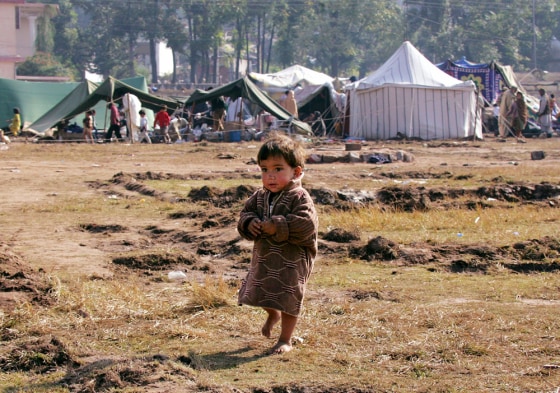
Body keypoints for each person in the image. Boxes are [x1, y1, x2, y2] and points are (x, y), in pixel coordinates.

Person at [237, 133, 318, 355]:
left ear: (297, 171)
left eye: (278, 169)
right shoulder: (260, 196)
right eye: (264, 170)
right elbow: (246, 213)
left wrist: (278, 225)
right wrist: (249, 223)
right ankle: (273, 314)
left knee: (289, 296)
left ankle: (285, 339)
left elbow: (306, 225)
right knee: (260, 288)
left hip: (292, 260)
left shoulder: (300, 197)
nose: (270, 176)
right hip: (265, 257)